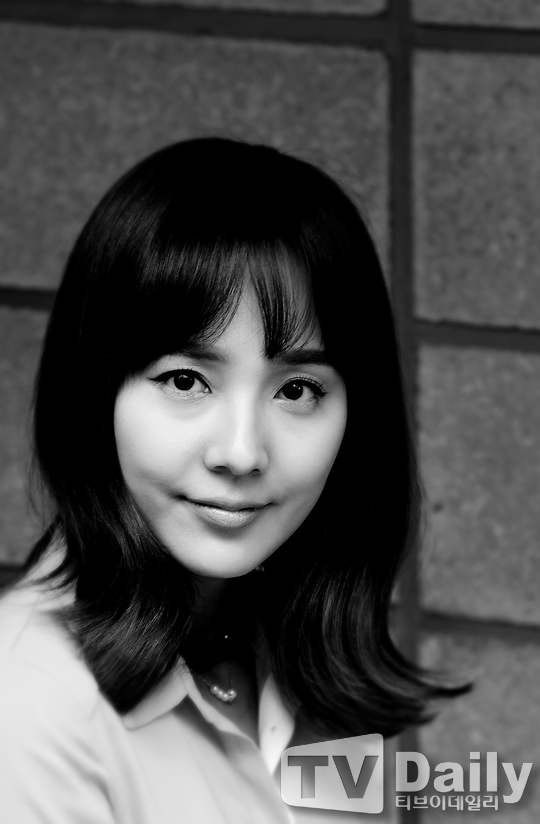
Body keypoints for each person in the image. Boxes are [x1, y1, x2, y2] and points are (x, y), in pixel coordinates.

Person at [0, 137, 464, 823]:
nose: (242, 453)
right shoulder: (27, 707)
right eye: (186, 380)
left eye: (297, 390)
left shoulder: (302, 656)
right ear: (94, 392)